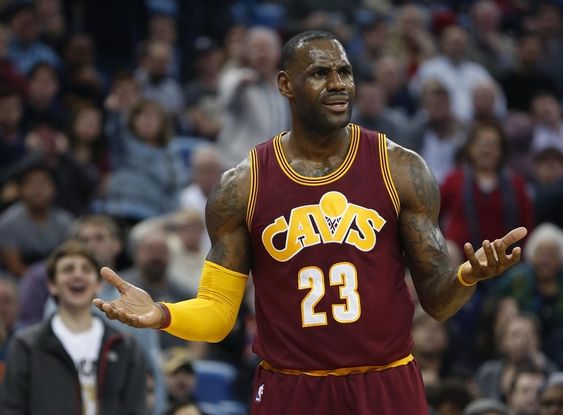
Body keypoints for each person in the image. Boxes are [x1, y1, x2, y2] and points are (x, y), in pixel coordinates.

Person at [94, 30, 527, 414]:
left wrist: (469, 275)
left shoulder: (400, 168)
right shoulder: (241, 185)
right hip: (290, 386)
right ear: (285, 84)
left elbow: (436, 302)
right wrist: (163, 313)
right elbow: (220, 312)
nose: (338, 84)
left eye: (345, 71)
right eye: (320, 73)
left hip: (385, 382)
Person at [2, 240, 146, 414]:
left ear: (98, 285)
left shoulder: (125, 346)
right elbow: (12, 408)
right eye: (68, 269)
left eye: (86, 269)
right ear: (52, 285)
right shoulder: (27, 344)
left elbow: (136, 409)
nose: (78, 275)